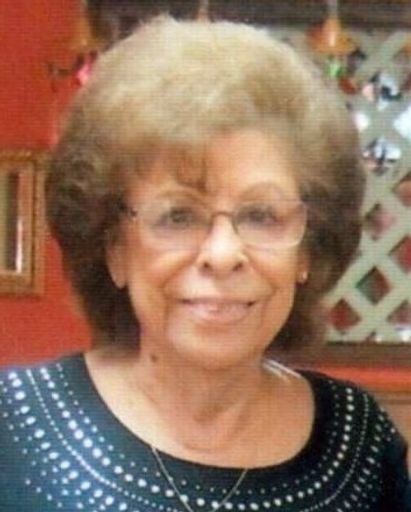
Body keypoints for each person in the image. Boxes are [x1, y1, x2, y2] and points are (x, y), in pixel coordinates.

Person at [0, 15, 410, 512]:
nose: (222, 255)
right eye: (178, 216)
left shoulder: (357, 446)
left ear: (307, 250)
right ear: (114, 248)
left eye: (261, 216)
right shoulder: (12, 426)